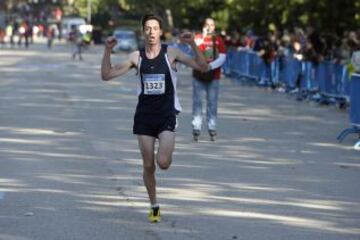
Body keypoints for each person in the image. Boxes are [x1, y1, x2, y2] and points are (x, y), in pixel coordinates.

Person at [101, 14, 208, 223]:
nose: (151, 32)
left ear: (161, 32)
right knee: (149, 165)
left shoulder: (172, 53)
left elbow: (202, 66)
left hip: (167, 114)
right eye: (147, 28)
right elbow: (106, 75)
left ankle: (162, 167)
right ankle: (154, 205)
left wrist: (193, 43)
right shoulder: (136, 57)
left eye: (155, 28)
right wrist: (107, 50)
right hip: (144, 118)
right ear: (144, 32)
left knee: (163, 162)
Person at [192, 18, 226, 141]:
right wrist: (203, 36)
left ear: (215, 27)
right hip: (198, 75)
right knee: (197, 102)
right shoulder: (197, 38)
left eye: (212, 25)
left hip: (213, 76)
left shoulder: (218, 40)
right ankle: (196, 127)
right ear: (204, 26)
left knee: (212, 103)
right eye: (207, 25)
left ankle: (212, 127)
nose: (210, 27)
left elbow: (222, 57)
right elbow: (194, 50)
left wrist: (210, 66)